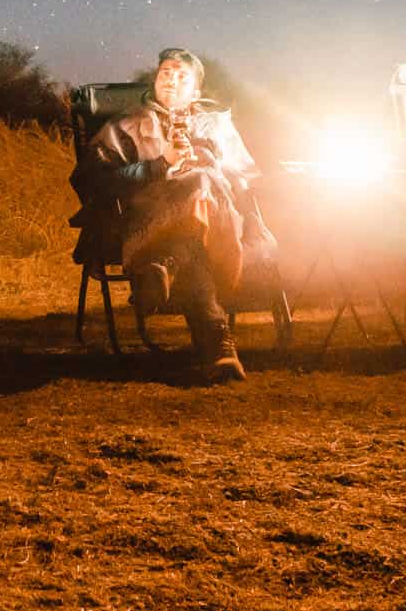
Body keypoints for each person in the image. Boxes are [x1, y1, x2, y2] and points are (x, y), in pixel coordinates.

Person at [73, 47, 273, 383]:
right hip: (149, 229)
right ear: (155, 79)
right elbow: (91, 181)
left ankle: (168, 264)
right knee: (197, 206)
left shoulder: (217, 126)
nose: (171, 80)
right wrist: (159, 165)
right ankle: (219, 347)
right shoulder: (127, 125)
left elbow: (249, 181)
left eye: (182, 76)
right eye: (166, 72)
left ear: (196, 92)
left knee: (203, 185)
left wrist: (216, 167)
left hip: (219, 228)